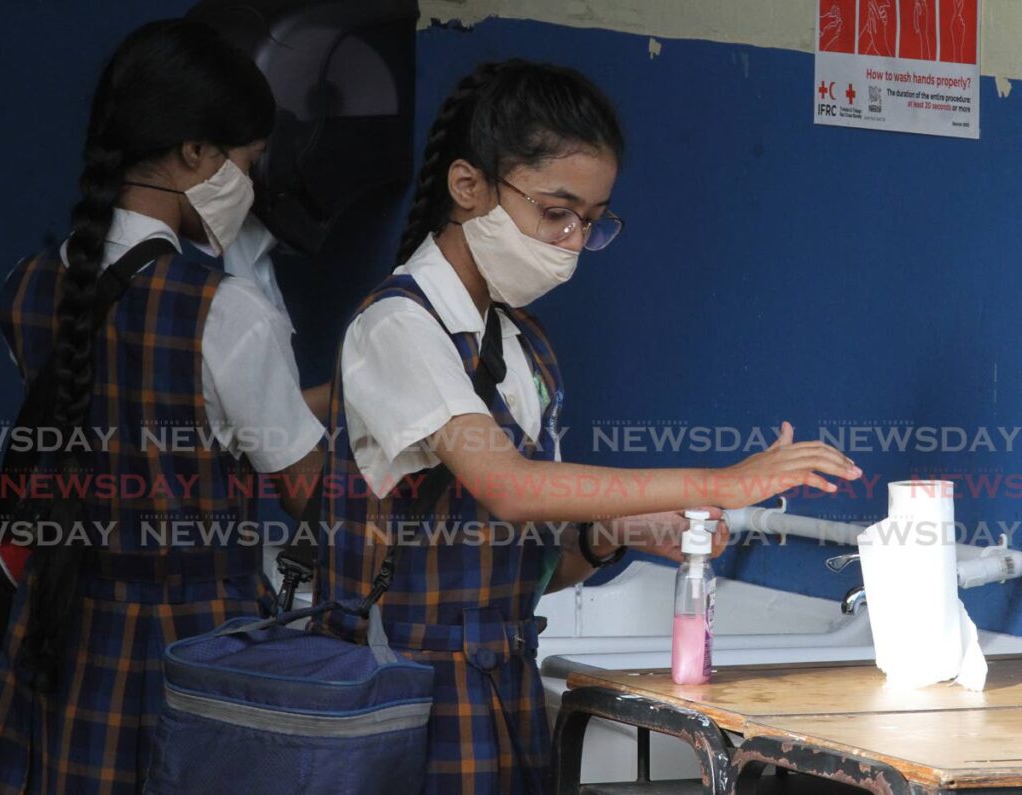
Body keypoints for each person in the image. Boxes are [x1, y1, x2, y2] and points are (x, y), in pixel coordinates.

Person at [316, 60, 862, 794]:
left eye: (592, 221)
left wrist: (611, 533)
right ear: (468, 186)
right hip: (407, 688)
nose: (573, 240)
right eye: (555, 212)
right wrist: (722, 480)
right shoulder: (397, 327)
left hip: (503, 682)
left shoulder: (525, 347)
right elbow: (508, 487)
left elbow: (534, 560)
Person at [0, 19, 323, 794]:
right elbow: (310, 491)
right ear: (194, 155)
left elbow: (131, 411)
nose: (250, 185)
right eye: (248, 162)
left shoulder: (27, 286)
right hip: (192, 653)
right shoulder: (228, 311)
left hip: (60, 637)